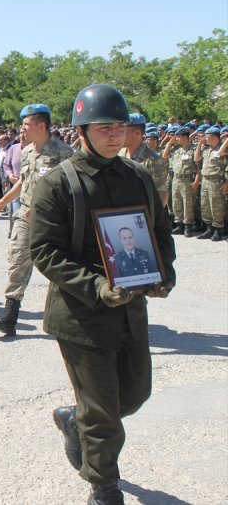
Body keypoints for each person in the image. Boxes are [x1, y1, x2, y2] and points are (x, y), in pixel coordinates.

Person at [31, 84, 175, 505]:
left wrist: (163, 272)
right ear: (82, 131)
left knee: (134, 394)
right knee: (103, 414)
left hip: (131, 311)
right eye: (104, 128)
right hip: (82, 317)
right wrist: (96, 286)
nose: (115, 136)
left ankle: (75, 421)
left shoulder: (138, 177)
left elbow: (160, 231)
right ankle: (104, 487)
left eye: (120, 127)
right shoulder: (59, 183)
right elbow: (45, 251)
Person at [0, 104, 73, 336]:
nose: (22, 129)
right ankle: (9, 316)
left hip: (52, 219)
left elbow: (69, 189)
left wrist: (42, 208)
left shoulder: (64, 153)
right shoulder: (26, 151)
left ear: (41, 126)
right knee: (17, 260)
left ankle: (68, 315)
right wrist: (3, 201)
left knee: (57, 265)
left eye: (26, 125)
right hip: (25, 216)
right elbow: (23, 182)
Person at [118, 114, 169, 208]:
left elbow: (161, 193)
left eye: (123, 131)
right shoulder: (119, 154)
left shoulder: (153, 159)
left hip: (142, 211)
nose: (119, 135)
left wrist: (153, 214)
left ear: (137, 133)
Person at [162, 127, 198, 237]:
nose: (176, 138)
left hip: (187, 178)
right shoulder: (176, 149)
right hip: (176, 178)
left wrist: (196, 180)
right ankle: (179, 224)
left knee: (187, 203)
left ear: (185, 137)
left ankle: (188, 226)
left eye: (178, 136)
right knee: (176, 202)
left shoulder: (193, 149)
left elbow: (198, 166)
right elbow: (164, 155)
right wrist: (170, 143)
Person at [194, 126, 227, 240]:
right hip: (205, 179)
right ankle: (209, 229)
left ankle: (218, 230)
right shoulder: (206, 149)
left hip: (216, 180)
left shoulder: (223, 148)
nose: (205, 138)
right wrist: (199, 144)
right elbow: (196, 158)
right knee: (205, 205)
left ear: (214, 137)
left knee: (216, 206)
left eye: (207, 137)